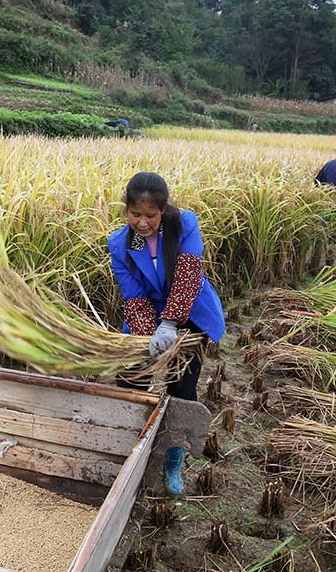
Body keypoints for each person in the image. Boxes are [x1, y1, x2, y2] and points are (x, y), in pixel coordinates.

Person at [106, 172, 226, 496]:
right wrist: (149, 338)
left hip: (189, 313)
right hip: (147, 314)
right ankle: (129, 449)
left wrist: (171, 323)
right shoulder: (121, 244)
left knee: (182, 386)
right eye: (135, 214)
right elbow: (133, 295)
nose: (142, 223)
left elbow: (188, 277)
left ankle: (174, 460)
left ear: (163, 210)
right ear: (126, 209)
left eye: (150, 216)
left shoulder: (183, 225)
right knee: (130, 377)